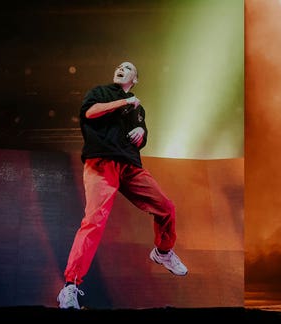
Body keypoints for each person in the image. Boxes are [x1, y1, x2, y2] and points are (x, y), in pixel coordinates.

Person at [57, 61, 188, 309]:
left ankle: (162, 252)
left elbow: (141, 137)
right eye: (119, 66)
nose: (121, 68)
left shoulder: (140, 109)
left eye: (127, 68)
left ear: (135, 79)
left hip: (130, 166)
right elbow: (90, 113)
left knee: (166, 207)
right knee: (94, 221)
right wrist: (125, 102)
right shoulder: (101, 92)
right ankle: (70, 287)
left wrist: (140, 132)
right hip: (101, 163)